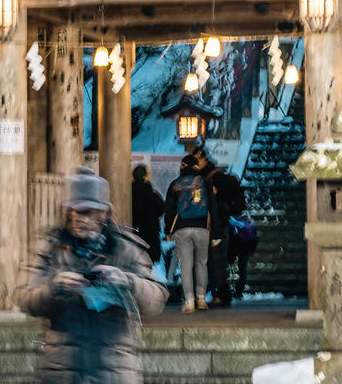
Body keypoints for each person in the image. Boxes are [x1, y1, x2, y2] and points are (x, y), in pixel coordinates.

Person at [18, 167, 167, 383]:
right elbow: (25, 298)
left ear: (104, 213)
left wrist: (128, 282)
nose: (81, 219)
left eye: (89, 212)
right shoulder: (50, 249)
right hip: (63, 371)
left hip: (113, 371)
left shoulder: (125, 249)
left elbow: (156, 300)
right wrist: (54, 286)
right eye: (76, 211)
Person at [164, 154, 221, 313]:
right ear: (197, 166)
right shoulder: (205, 183)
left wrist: (168, 230)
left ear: (183, 166)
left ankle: (188, 301)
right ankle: (201, 299)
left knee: (186, 266)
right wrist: (216, 233)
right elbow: (213, 209)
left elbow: (169, 210)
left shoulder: (175, 184)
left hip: (182, 229)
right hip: (202, 228)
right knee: (201, 264)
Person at [195, 148, 246, 307]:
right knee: (215, 260)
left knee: (215, 260)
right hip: (218, 224)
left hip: (214, 225)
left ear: (203, 160)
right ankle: (218, 292)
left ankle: (220, 293)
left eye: (197, 161)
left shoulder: (212, 180)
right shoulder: (208, 179)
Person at [131, 164, 164, 266]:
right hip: (151, 235)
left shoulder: (128, 193)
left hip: (134, 234)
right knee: (149, 264)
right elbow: (162, 209)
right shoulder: (152, 194)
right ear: (145, 176)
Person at [227, 213, 258, 298]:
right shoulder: (247, 221)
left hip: (235, 246)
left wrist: (230, 257)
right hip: (247, 247)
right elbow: (254, 237)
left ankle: (225, 289)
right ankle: (239, 291)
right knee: (243, 268)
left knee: (225, 267)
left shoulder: (232, 221)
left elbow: (230, 239)